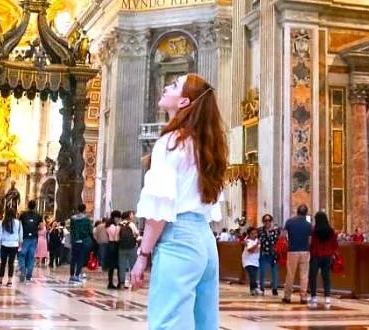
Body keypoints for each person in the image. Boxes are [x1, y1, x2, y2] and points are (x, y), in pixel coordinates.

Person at [129, 73, 228, 330]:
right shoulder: (205, 146)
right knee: (205, 325)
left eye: (173, 85)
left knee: (167, 323)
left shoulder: (170, 143)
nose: (165, 86)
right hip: (205, 243)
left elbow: (160, 210)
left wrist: (143, 254)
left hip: (179, 239)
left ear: (184, 102)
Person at [281, 205, 312, 304]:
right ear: (306, 213)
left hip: (292, 250)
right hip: (305, 251)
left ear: (297, 212)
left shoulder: (290, 222)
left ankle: (287, 296)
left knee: (290, 274)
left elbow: (284, 235)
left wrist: (288, 244)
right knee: (304, 275)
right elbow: (310, 240)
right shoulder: (308, 224)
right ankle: (303, 297)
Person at [308, 211, 338, 308]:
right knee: (326, 277)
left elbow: (312, 244)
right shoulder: (331, 231)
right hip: (328, 256)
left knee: (313, 276)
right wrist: (331, 253)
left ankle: (314, 296)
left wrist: (311, 253)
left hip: (316, 256)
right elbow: (335, 244)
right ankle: (327, 297)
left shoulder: (314, 231)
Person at [0, 209, 22, 286]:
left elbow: (0, 234)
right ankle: (10, 281)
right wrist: (20, 242)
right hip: (14, 245)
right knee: (11, 263)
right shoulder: (18, 223)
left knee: (3, 263)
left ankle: (0, 280)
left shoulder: (2, 222)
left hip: (4, 244)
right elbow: (20, 234)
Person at [68, 203, 93, 283]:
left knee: (73, 258)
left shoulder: (72, 218)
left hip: (75, 240)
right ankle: (77, 274)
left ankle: (71, 275)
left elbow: (71, 229)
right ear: (84, 209)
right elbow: (90, 230)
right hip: (83, 240)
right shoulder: (87, 219)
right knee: (80, 258)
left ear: (78, 209)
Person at [257, 214, 280, 296]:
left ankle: (274, 288)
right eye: (265, 220)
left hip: (273, 254)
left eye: (269, 220)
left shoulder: (276, 230)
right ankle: (262, 288)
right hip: (263, 253)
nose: (267, 222)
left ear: (271, 221)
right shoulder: (260, 230)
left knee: (274, 272)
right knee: (262, 271)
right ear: (263, 221)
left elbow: (278, 240)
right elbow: (256, 239)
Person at [18, 200, 41, 282]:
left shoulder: (23, 214)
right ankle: (29, 275)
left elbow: (19, 225)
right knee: (31, 256)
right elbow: (41, 226)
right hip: (34, 238)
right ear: (35, 206)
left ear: (28, 206)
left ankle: (22, 269)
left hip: (24, 237)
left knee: (22, 254)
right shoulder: (38, 215)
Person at [105, 210, 123, 289]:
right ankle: (119, 282)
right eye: (118, 217)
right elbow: (116, 238)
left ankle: (110, 282)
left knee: (111, 266)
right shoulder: (114, 226)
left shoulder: (108, 225)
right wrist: (118, 228)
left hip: (110, 245)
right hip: (114, 245)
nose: (119, 219)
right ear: (115, 217)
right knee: (118, 265)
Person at [242, 227, 260, 296]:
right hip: (248, 261)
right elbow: (250, 250)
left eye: (255, 233)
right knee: (252, 275)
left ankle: (254, 288)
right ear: (249, 234)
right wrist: (256, 245)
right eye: (252, 233)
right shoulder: (248, 241)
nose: (254, 235)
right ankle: (253, 289)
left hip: (255, 262)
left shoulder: (257, 240)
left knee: (254, 276)